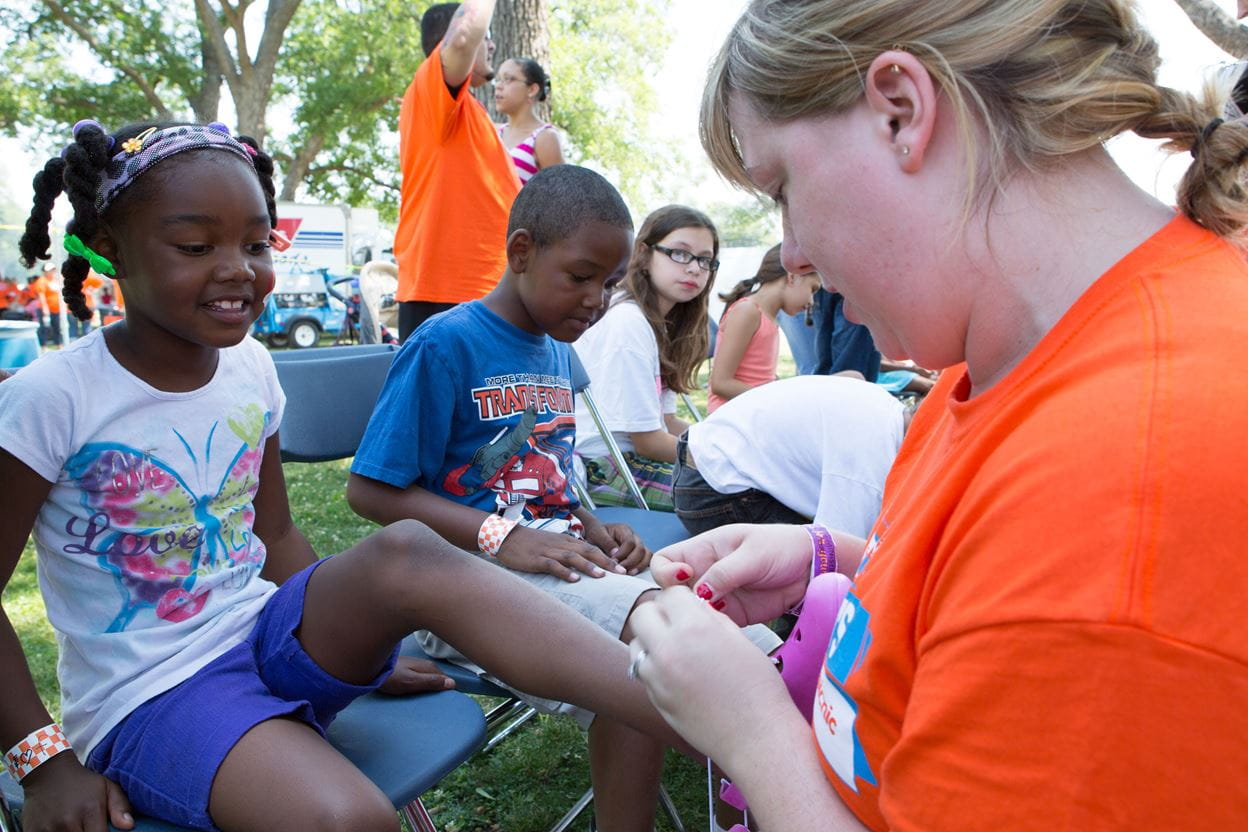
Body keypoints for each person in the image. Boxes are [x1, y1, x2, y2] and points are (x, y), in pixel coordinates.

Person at [627, 2, 1248, 830]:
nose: (795, 249)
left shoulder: (1122, 486)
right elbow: (997, 603)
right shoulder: (998, 365)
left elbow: (1062, 599)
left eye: (783, 187)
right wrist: (830, 559)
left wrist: (752, 734)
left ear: (902, 112)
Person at [0, 121, 683, 832]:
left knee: (408, 550)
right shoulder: (53, 397)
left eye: (257, 244)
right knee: (352, 818)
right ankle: (713, 715)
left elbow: (276, 533)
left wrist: (365, 643)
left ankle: (701, 710)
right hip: (155, 691)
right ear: (110, 248)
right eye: (197, 247)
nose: (239, 268)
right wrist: (40, 761)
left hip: (259, 632)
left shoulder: (248, 367)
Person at [347, 166, 776, 831]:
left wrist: (592, 523)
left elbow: (542, 474)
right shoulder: (446, 345)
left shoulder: (557, 354)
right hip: (460, 583)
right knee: (663, 654)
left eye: (607, 285)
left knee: (733, 636)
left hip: (562, 562)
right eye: (579, 277)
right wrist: (503, 538)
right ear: (521, 252)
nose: (594, 301)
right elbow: (370, 491)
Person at [572, 205, 716, 512]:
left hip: (634, 458)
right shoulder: (628, 321)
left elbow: (666, 421)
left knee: (748, 482)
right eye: (680, 253)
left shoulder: (657, 324)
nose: (694, 268)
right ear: (645, 253)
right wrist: (722, 459)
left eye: (705, 260)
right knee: (740, 493)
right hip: (605, 467)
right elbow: (647, 440)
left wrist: (723, 439)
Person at [394, 0, 520, 341]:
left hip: (489, 295)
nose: (491, 44)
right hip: (446, 295)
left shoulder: (469, 112)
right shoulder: (433, 93)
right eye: (487, 36)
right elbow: (465, 37)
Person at [674, 375, 906, 539]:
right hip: (715, 492)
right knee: (823, 576)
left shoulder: (885, 406)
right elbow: (836, 551)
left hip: (708, 462)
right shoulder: (871, 456)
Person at [707, 243, 819, 412]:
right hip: (733, 418)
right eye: (813, 289)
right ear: (792, 276)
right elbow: (720, 383)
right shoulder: (747, 312)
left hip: (755, 412)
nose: (811, 301)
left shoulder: (770, 318)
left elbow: (759, 378)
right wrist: (774, 399)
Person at [494, 56, 564, 185]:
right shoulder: (494, 132)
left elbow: (559, 197)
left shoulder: (545, 137)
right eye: (498, 79)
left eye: (508, 79)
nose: (498, 86)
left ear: (532, 89)